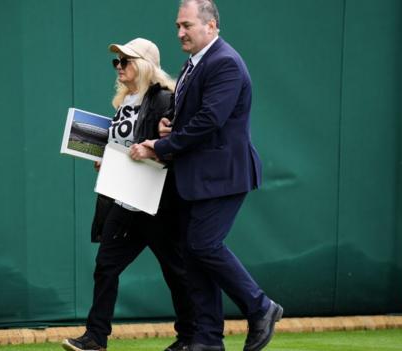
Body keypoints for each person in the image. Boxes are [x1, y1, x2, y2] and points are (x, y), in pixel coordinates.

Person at [130, 1, 283, 351]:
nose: (181, 32)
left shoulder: (225, 62)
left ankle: (260, 307)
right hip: (198, 176)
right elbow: (192, 116)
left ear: (211, 26)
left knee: (202, 245)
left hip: (224, 175)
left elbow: (210, 121)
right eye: (178, 26)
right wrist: (168, 124)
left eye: (187, 25)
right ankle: (208, 340)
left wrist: (161, 147)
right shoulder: (192, 65)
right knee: (191, 252)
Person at [62, 38, 194, 351]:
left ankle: (190, 338)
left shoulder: (165, 100)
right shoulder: (124, 102)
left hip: (156, 203)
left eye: (126, 61)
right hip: (124, 201)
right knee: (106, 266)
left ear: (145, 65)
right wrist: (105, 160)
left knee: (176, 272)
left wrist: (153, 153)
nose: (119, 67)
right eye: (117, 62)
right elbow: (122, 147)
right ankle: (95, 337)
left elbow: (177, 148)